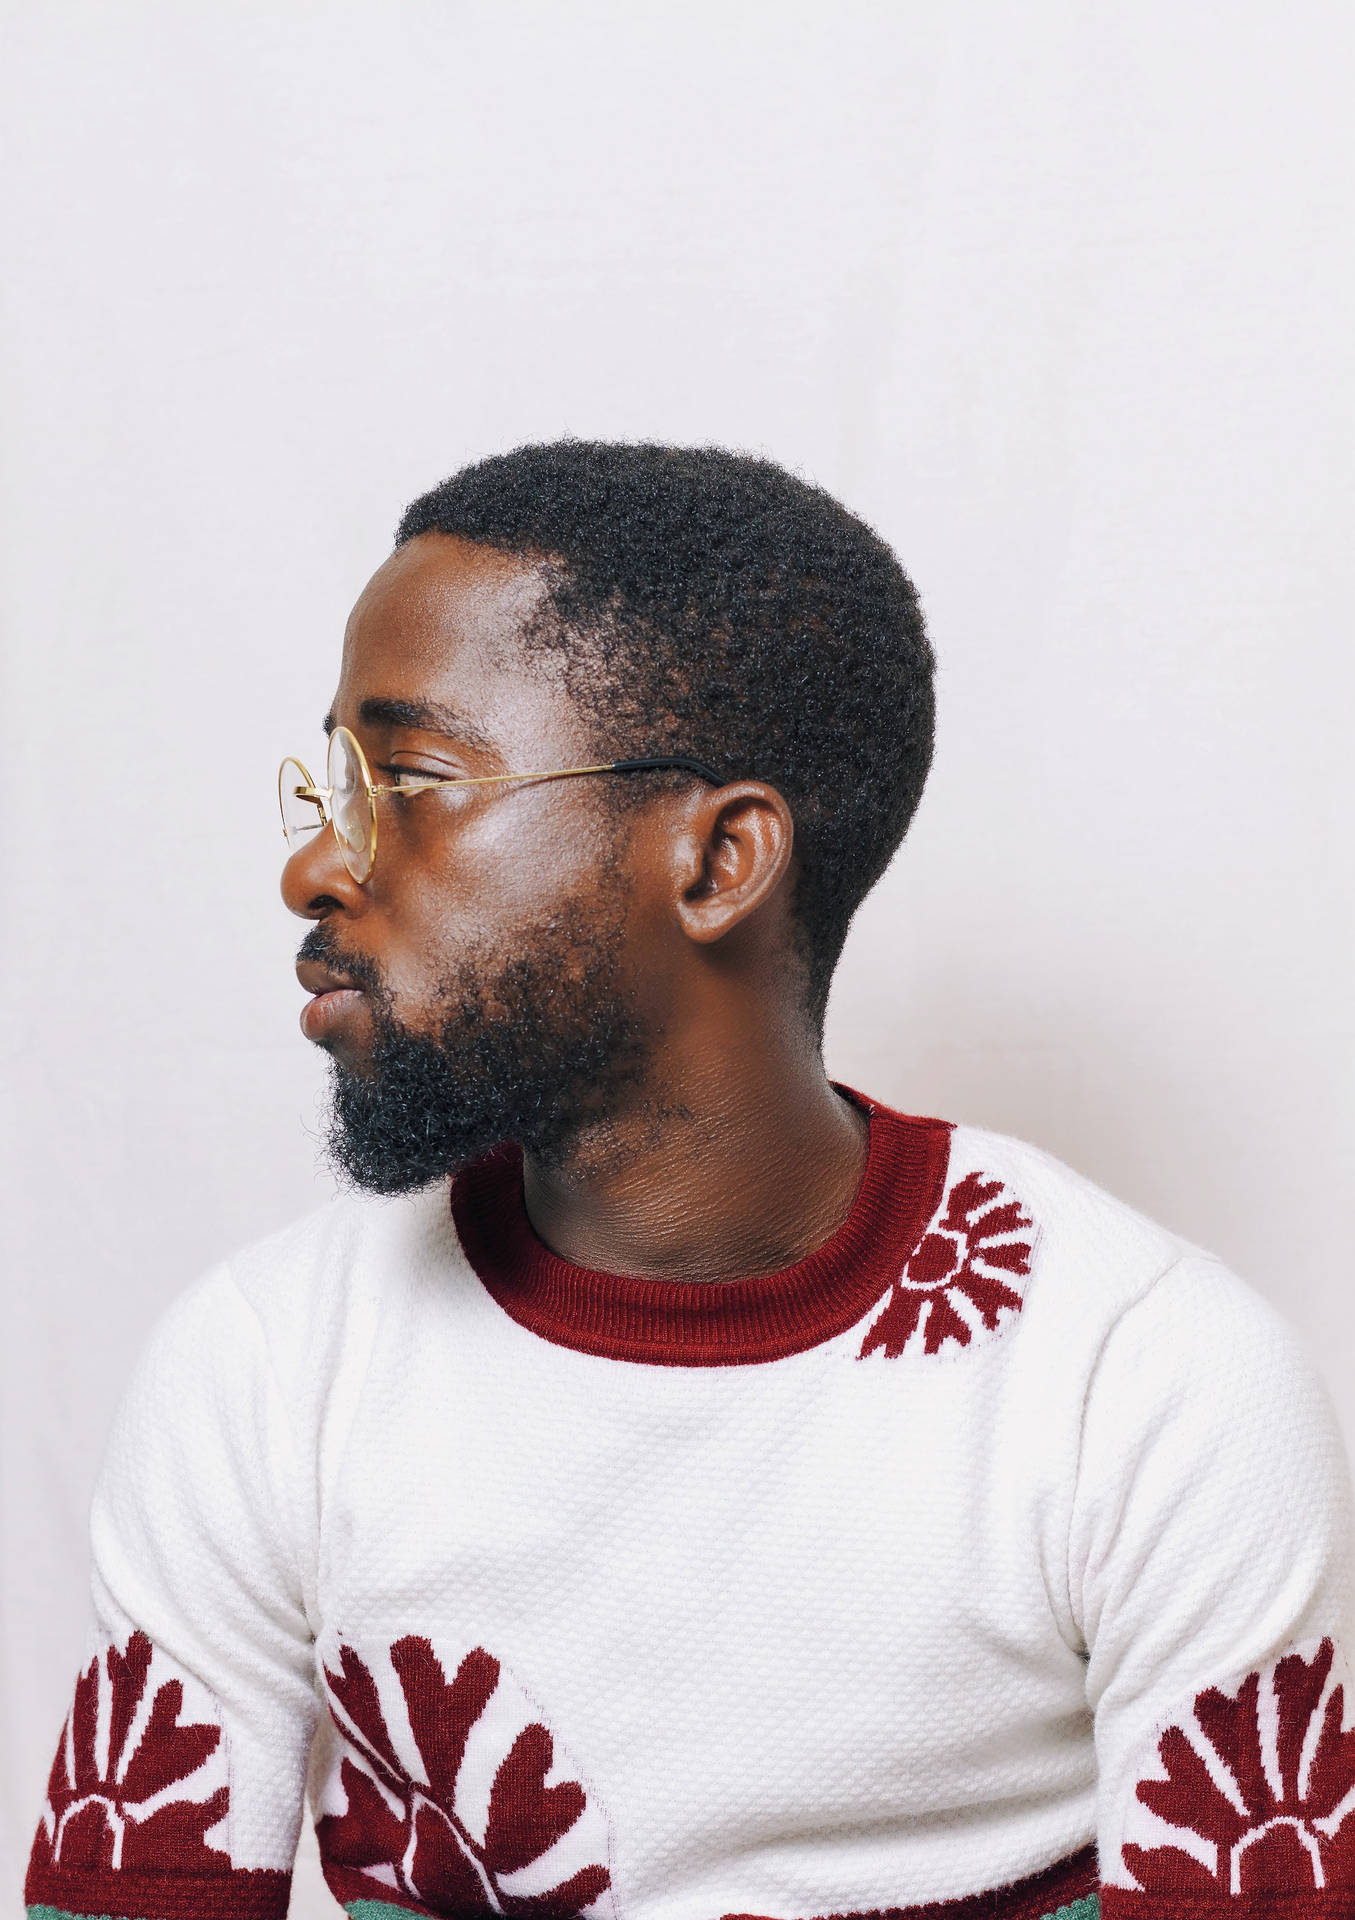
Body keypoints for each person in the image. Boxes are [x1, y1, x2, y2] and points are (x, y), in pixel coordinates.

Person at [25, 441, 1355, 1920]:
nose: (316, 872)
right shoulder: (264, 1373)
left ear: (719, 863)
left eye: (409, 781)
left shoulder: (1150, 1385)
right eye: (331, 787)